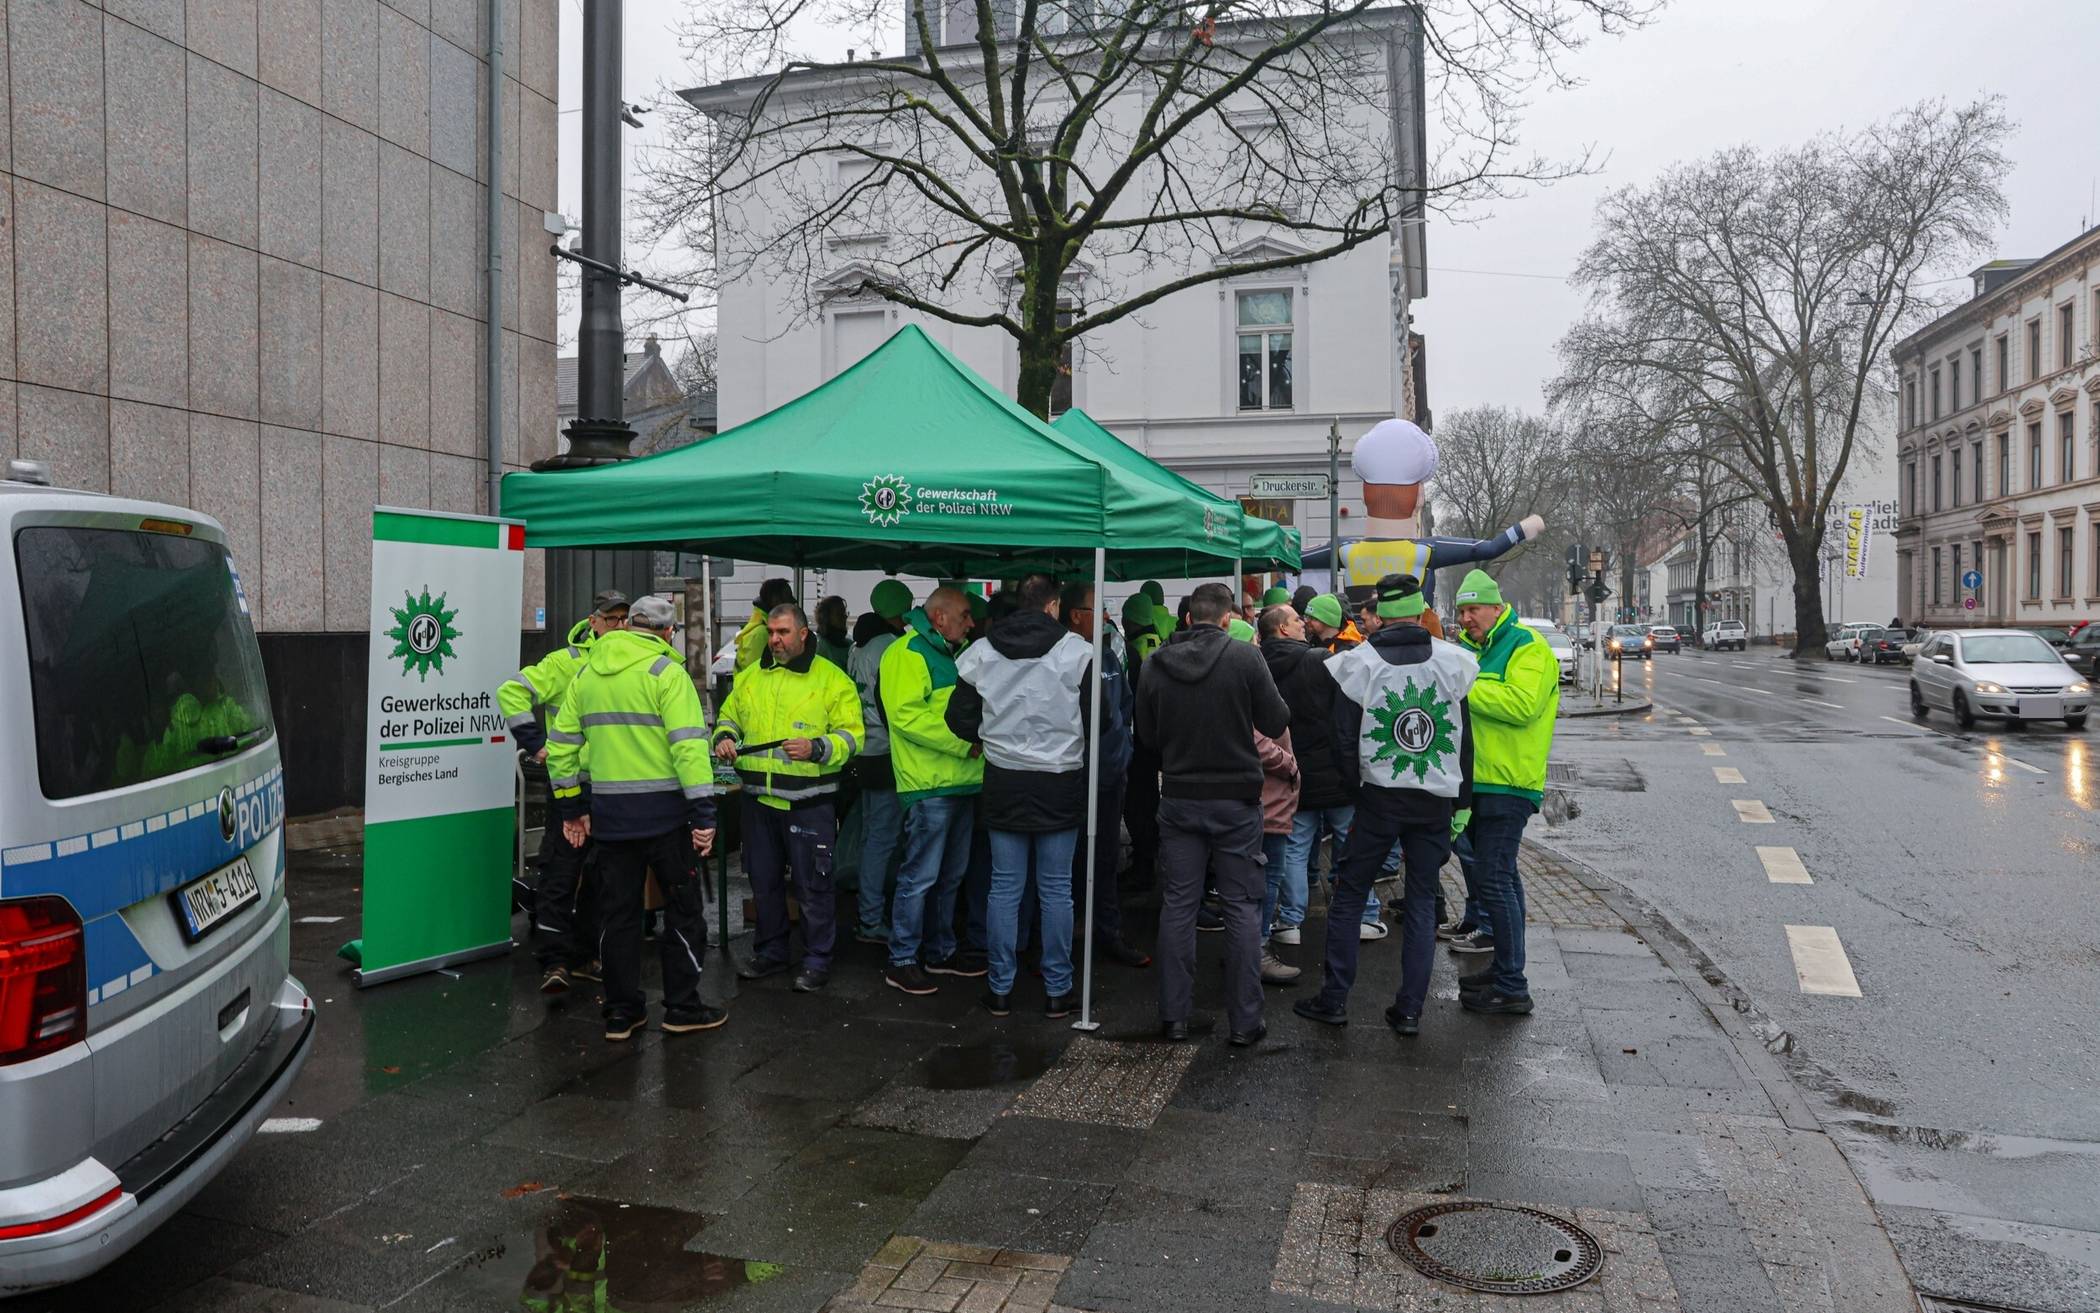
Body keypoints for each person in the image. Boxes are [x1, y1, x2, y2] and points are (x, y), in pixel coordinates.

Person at [1292, 576, 1476, 1037]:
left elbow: (1341, 738)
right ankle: (1410, 1010)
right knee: (1421, 901)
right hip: (1434, 801)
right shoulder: (1453, 661)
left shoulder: (1360, 663)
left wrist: (1356, 791)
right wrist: (1462, 802)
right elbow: (1463, 739)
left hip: (1378, 799)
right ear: (1419, 611)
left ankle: (1334, 999)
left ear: (1381, 614)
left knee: (1350, 893)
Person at [546, 596, 722, 1041]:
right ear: (667, 632)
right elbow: (689, 750)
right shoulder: (667, 674)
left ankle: (622, 1014)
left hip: (610, 822)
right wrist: (704, 813)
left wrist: (572, 808)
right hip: (666, 820)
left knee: (618, 918)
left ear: (629, 626)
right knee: (683, 913)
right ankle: (682, 1008)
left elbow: (560, 748)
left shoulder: (587, 674)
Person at [1139, 582, 1292, 1047]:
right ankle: (1245, 1022)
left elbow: (1147, 737)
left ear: (1188, 618)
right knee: (1242, 908)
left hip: (1180, 797)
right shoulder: (1245, 658)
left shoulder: (1154, 664)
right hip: (1236, 802)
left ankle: (1174, 1017)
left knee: (1179, 906)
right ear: (1227, 618)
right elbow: (1277, 720)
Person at [944, 574, 1092, 1017]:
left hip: (1004, 777)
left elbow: (958, 717)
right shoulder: (1076, 651)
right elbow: (1100, 718)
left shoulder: (982, 651)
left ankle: (1000, 989)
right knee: (1057, 889)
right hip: (1059, 779)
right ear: (1053, 606)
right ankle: (1057, 989)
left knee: (1005, 887)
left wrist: (992, 735)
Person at [713, 603, 863, 993]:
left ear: (803, 634)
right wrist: (725, 737)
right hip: (758, 801)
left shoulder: (831, 679)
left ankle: (816, 960)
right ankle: (771, 952)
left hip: (808, 803)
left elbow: (852, 735)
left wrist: (817, 748)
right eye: (772, 633)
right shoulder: (751, 676)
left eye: (783, 632)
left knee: (813, 887)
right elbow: (728, 717)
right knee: (763, 883)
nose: (775, 640)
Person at [499, 589, 628, 996]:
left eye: (624, 618)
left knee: (600, 877)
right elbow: (511, 691)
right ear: (594, 622)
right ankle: (554, 960)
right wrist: (536, 742)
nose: (618, 626)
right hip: (570, 786)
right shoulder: (565, 662)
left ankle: (585, 955)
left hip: (610, 788)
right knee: (560, 873)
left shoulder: (629, 662)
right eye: (611, 618)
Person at [1451, 569, 1560, 1016]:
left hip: (1510, 783)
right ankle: (1504, 970)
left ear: (1497, 607)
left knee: (1494, 879)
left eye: (1474, 609)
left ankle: (1513, 986)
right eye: (1461, 610)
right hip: (1477, 782)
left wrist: (1464, 685)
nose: (1466, 618)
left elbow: (1522, 705)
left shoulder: (1526, 645)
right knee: (1500, 878)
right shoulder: (1471, 649)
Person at [879, 585, 989, 995]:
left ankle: (940, 952)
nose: (972, 623)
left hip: (958, 782)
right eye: (965, 615)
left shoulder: (950, 651)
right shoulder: (906, 653)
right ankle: (902, 959)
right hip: (929, 786)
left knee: (948, 876)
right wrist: (965, 743)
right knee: (921, 877)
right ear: (939, 618)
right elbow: (907, 718)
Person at [1063, 581, 1150, 968]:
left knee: (1107, 857)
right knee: (1069, 860)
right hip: (1073, 776)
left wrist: (1122, 752)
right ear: (1075, 615)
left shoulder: (1109, 656)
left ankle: (1108, 931)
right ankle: (1064, 937)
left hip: (1111, 775)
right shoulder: (1063, 657)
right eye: (1097, 610)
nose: (1106, 617)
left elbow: (1124, 707)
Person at [1258, 603, 1353, 954]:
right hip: (1333, 768)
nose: (1303, 623)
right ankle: (1361, 914)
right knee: (1349, 842)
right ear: (1283, 628)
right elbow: (1345, 709)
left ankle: (1290, 921)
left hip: (1290, 770)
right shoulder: (1319, 660)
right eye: (1297, 619)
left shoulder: (1257, 663)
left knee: (1295, 849)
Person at [847, 579, 913, 942]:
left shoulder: (858, 646)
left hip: (864, 750)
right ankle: (871, 918)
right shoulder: (891, 647)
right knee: (883, 840)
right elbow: (894, 707)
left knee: (872, 834)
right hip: (888, 752)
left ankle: (868, 910)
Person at [1240, 616, 1303, 988]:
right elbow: (1254, 737)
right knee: (1266, 878)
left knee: (1257, 878)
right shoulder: (1247, 682)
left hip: (1264, 797)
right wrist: (1288, 763)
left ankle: (1248, 947)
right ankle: (1256, 950)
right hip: (1267, 798)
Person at [1119, 593, 1164, 895]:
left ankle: (1144, 866)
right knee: (1148, 800)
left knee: (1138, 805)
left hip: (1137, 738)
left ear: (1130, 619)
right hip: (1155, 738)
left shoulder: (1132, 650)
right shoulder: (1160, 643)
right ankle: (1148, 859)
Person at [735, 578, 797, 671]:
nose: (792, 605)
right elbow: (756, 674)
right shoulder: (761, 634)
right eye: (787, 600)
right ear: (775, 601)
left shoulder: (767, 630)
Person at [814, 594, 852, 668]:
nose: (844, 617)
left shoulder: (850, 644)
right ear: (825, 617)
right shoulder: (820, 647)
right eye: (839, 614)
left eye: (844, 613)